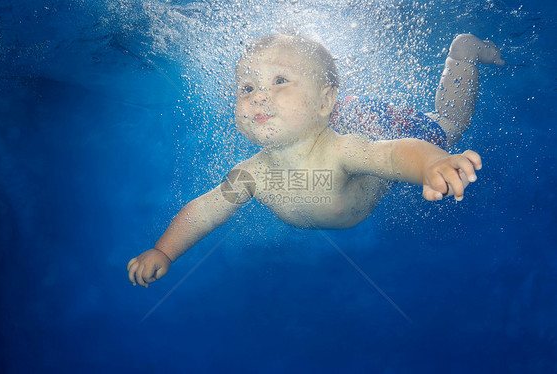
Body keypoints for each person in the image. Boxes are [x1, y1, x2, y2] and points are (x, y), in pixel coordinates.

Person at [128, 33, 504, 287]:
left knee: (449, 125)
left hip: (380, 127)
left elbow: (391, 153)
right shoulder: (250, 174)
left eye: (278, 81)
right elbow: (205, 209)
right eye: (247, 88)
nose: (259, 96)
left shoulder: (341, 150)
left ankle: (463, 52)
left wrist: (431, 164)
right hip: (342, 118)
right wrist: (164, 250)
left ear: (325, 101)